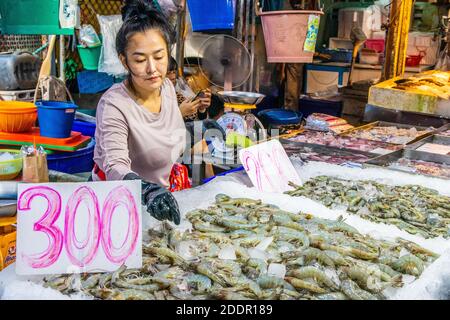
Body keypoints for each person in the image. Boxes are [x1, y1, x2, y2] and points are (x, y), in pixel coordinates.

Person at [93, 0, 185, 225]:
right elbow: (115, 167)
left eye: (159, 56)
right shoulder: (114, 105)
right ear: (124, 61)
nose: (152, 69)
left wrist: (200, 129)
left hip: (159, 202)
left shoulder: (167, 88)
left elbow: (164, 132)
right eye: (140, 60)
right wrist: (147, 190)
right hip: (117, 207)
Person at [167, 57, 212, 122]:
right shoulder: (152, 100)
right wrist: (180, 113)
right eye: (168, 73)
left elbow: (195, 124)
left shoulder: (179, 91)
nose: (173, 77)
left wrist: (201, 109)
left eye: (174, 72)